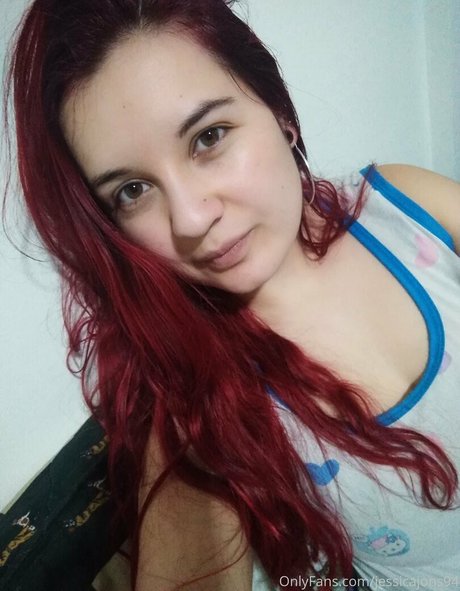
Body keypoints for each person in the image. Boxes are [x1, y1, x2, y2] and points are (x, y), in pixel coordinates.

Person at [5, 0, 460, 589]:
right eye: (133, 190)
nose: (191, 219)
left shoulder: (404, 207)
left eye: (209, 137)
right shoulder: (198, 395)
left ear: (278, 110)